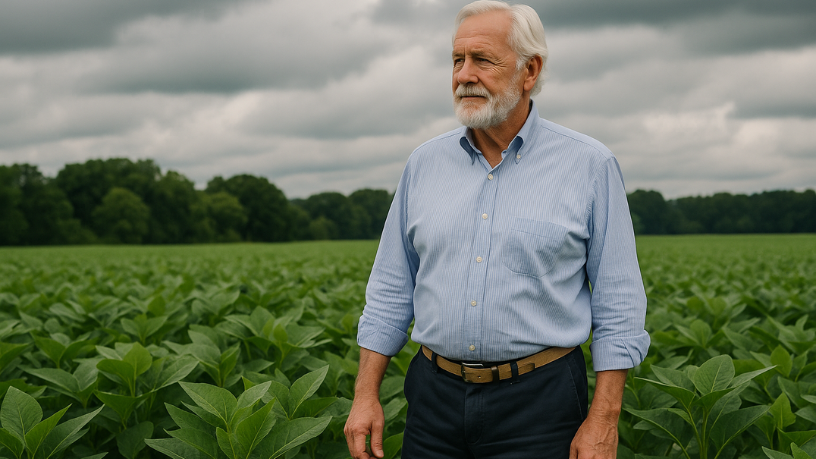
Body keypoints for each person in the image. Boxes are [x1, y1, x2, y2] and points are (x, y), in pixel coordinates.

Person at [344, 1, 649, 458]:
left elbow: (619, 302)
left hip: (540, 403)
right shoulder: (423, 164)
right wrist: (365, 395)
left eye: (483, 60)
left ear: (530, 71)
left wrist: (604, 420)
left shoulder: (589, 165)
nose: (465, 74)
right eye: (456, 60)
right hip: (433, 398)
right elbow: (390, 289)